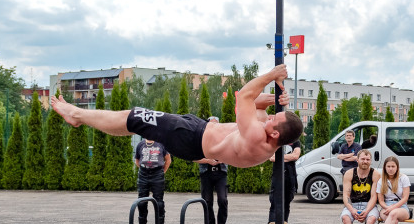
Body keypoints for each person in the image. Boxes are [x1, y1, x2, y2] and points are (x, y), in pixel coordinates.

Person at [50, 65, 303, 169]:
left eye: (273, 120)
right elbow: (254, 107)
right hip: (197, 129)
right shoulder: (265, 135)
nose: (269, 118)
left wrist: (272, 75)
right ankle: (78, 115)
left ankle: (76, 114)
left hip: (191, 138)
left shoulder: (257, 138)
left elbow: (245, 97)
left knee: (136, 116)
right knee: (138, 121)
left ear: (275, 133)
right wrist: (275, 99)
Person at [341, 149, 381, 224]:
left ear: (371, 161)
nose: (365, 161)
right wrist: (351, 209)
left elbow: (374, 197)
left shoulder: (375, 174)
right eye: (363, 159)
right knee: (345, 218)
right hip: (352, 204)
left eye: (368, 159)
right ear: (357, 160)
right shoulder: (349, 173)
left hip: (369, 205)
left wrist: (367, 211)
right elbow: (346, 196)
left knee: (372, 219)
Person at [195, 117, 229, 224]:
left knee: (223, 200)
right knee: (207, 201)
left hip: (220, 173)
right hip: (206, 173)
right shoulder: (201, 139)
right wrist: (208, 161)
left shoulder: (225, 138)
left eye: (216, 125)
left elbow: (231, 154)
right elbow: (195, 158)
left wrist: (221, 159)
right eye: (211, 124)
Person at [134, 138, 171, 224]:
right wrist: (145, 168)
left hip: (157, 174)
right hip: (143, 174)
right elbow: (137, 160)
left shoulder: (161, 144)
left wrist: (161, 172)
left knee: (159, 203)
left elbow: (168, 159)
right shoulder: (140, 144)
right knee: (141, 202)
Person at [376, 156, 410, 224]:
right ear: (385, 168)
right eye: (388, 166)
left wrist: (393, 208)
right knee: (393, 222)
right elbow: (380, 201)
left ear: (397, 167)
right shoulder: (381, 181)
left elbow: (405, 198)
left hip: (401, 207)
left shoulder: (403, 178)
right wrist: (388, 207)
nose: (390, 168)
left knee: (394, 214)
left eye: (393, 166)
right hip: (386, 207)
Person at [267, 136, 301, 224]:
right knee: (274, 203)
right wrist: (288, 157)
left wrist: (279, 157)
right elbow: (272, 158)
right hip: (277, 175)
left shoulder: (295, 141)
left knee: (286, 204)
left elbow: (296, 156)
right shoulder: (276, 142)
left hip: (290, 176)